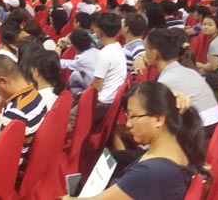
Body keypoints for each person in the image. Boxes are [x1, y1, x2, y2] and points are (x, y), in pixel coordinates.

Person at [62, 81, 205, 200]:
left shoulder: (149, 173)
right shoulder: (179, 148)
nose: (128, 124)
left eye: (133, 116)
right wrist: (169, 101)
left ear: (158, 119)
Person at [144, 28, 218, 136]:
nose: (144, 54)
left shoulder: (166, 81)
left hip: (199, 134)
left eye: (145, 50)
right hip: (214, 127)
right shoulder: (189, 71)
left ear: (154, 53)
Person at [90, 13, 127, 124]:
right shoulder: (118, 46)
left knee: (67, 119)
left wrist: (84, 96)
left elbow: (96, 83)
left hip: (103, 102)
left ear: (100, 31)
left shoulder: (105, 53)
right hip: (112, 99)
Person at [122, 12, 147, 77]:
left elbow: (143, 54)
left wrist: (140, 57)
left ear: (126, 28)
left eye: (123, 24)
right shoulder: (134, 45)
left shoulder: (137, 46)